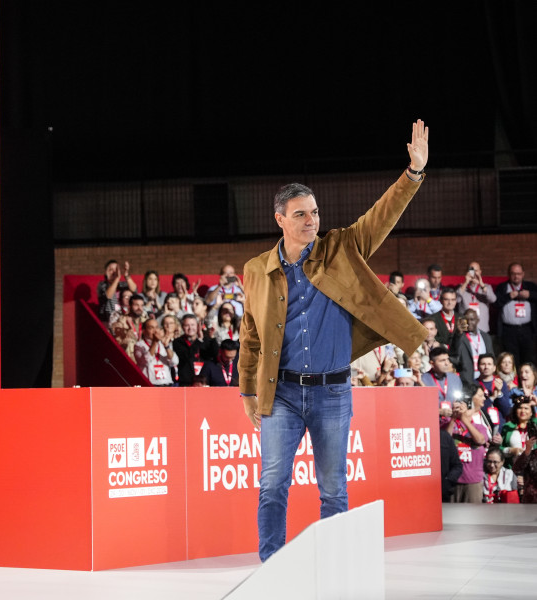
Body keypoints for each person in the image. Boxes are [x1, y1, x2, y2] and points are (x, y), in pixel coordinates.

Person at [237, 119, 429, 562]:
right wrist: (247, 389)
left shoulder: (342, 249)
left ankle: (337, 571)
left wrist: (413, 173)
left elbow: (382, 215)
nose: (312, 220)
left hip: (333, 392)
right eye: (301, 213)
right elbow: (249, 334)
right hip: (280, 393)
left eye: (316, 212)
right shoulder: (255, 270)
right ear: (280, 219)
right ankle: (271, 567)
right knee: (272, 485)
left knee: (334, 488)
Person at [445, 385, 490, 503]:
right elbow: (445, 440)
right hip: (453, 479)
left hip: (472, 481)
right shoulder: (449, 424)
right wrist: (454, 418)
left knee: (474, 517)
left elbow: (480, 440)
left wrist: (464, 419)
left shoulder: (479, 427)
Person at [495, 262, 537, 367]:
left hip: (527, 329)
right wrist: (508, 296)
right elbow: (496, 303)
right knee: (512, 360)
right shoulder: (502, 287)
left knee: (529, 359)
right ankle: (514, 382)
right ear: (509, 274)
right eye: (513, 273)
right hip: (509, 331)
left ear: (523, 274)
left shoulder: (531, 286)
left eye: (518, 273)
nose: (516, 276)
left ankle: (529, 382)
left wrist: (530, 295)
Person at [449, 309, 493, 385]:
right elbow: (453, 355)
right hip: (467, 380)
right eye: (466, 320)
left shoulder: (486, 337)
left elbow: (491, 357)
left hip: (484, 379)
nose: (469, 322)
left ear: (477, 320)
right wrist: (458, 334)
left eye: (472, 319)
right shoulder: (459, 337)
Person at [172, 314, 218, 387]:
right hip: (186, 382)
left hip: (204, 382)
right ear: (182, 327)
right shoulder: (178, 342)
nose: (190, 328)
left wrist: (212, 337)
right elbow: (186, 356)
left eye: (193, 325)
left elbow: (215, 354)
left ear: (197, 326)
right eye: (187, 325)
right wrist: (198, 341)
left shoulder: (205, 340)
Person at [133, 318, 178, 386]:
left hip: (166, 384)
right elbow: (145, 360)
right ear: (144, 331)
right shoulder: (139, 345)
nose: (155, 331)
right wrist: (155, 342)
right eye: (151, 328)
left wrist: (166, 346)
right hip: (150, 385)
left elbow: (174, 361)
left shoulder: (164, 344)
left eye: (157, 327)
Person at [456, 261, 496, 333]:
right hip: (464, 326)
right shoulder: (461, 286)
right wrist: (465, 282)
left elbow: (493, 300)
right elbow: (456, 300)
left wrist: (482, 285)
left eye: (476, 271)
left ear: (480, 272)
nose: (474, 273)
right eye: (471, 270)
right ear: (467, 272)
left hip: (482, 327)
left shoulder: (486, 287)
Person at [476, 353, 513, 430]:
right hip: (480, 428)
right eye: (483, 364)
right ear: (478, 367)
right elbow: (476, 409)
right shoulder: (474, 384)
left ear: (494, 368)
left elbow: (506, 411)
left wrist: (499, 393)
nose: (486, 367)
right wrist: (492, 398)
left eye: (489, 364)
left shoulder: (501, 383)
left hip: (499, 429)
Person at [500, 397, 537, 468]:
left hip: (533, 469)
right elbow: (499, 448)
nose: (523, 411)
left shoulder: (535, 425)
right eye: (520, 408)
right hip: (512, 468)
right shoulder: (507, 427)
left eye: (526, 408)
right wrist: (510, 450)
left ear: (531, 412)